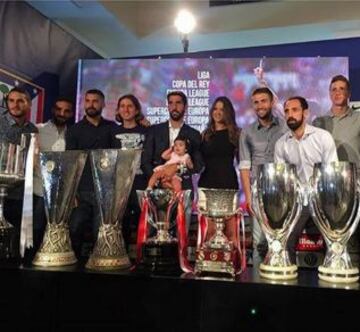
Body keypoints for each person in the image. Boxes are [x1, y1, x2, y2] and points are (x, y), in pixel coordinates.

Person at [274, 96, 338, 263]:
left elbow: (332, 171)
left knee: (335, 244)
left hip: (324, 201)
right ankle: (288, 280)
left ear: (306, 113)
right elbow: (282, 179)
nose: (290, 115)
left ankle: (331, 279)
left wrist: (325, 201)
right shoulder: (281, 144)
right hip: (297, 202)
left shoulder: (323, 137)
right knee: (285, 242)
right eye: (287, 111)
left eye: (295, 110)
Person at [313, 74, 360, 263]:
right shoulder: (319, 123)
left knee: (354, 239)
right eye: (334, 89)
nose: (338, 92)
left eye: (342, 89)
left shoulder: (358, 119)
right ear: (329, 94)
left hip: (355, 187)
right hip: (329, 189)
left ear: (348, 93)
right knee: (330, 237)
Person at [141, 91, 203, 230]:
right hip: (157, 191)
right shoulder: (154, 131)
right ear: (167, 106)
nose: (174, 106)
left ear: (185, 107)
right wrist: (159, 178)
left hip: (182, 190)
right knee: (154, 235)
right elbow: (145, 161)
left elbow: (198, 166)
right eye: (171, 103)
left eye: (178, 103)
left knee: (181, 234)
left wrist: (178, 170)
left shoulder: (194, 134)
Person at [66, 89, 116, 258]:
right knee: (75, 228)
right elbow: (71, 162)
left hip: (106, 191)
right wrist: (72, 192)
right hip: (82, 190)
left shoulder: (112, 128)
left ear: (103, 104)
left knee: (100, 233)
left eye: (95, 101)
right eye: (88, 101)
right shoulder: (74, 130)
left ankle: (99, 270)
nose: (91, 104)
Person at [239, 87, 288, 263]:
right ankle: (259, 284)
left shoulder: (284, 126)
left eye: (263, 101)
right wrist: (249, 197)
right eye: (256, 102)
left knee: (281, 241)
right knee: (259, 243)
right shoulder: (247, 132)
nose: (260, 105)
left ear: (271, 102)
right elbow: (244, 166)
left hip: (282, 190)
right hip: (257, 190)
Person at [0, 87, 38, 258]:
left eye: (20, 101)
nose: (15, 104)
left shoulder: (33, 130)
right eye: (11, 100)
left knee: (13, 239)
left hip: (20, 193)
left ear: (29, 104)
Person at [33, 97, 74, 253]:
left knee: (59, 231)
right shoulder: (37, 129)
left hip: (63, 192)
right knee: (37, 229)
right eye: (58, 109)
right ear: (53, 110)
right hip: (39, 190)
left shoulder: (73, 133)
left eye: (66, 111)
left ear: (71, 114)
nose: (61, 113)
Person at [198, 96, 240, 244]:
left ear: (228, 112)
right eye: (215, 108)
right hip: (207, 185)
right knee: (209, 231)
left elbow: (243, 162)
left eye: (222, 109)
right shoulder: (205, 135)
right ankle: (208, 263)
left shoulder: (236, 134)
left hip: (228, 184)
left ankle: (232, 264)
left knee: (230, 231)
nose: (217, 112)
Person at [111, 94, 148, 250]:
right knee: (121, 222)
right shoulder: (111, 132)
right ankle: (121, 255)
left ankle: (143, 258)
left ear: (137, 109)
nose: (126, 109)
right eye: (122, 106)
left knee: (144, 222)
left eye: (130, 106)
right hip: (120, 185)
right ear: (118, 110)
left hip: (141, 183)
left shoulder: (147, 130)